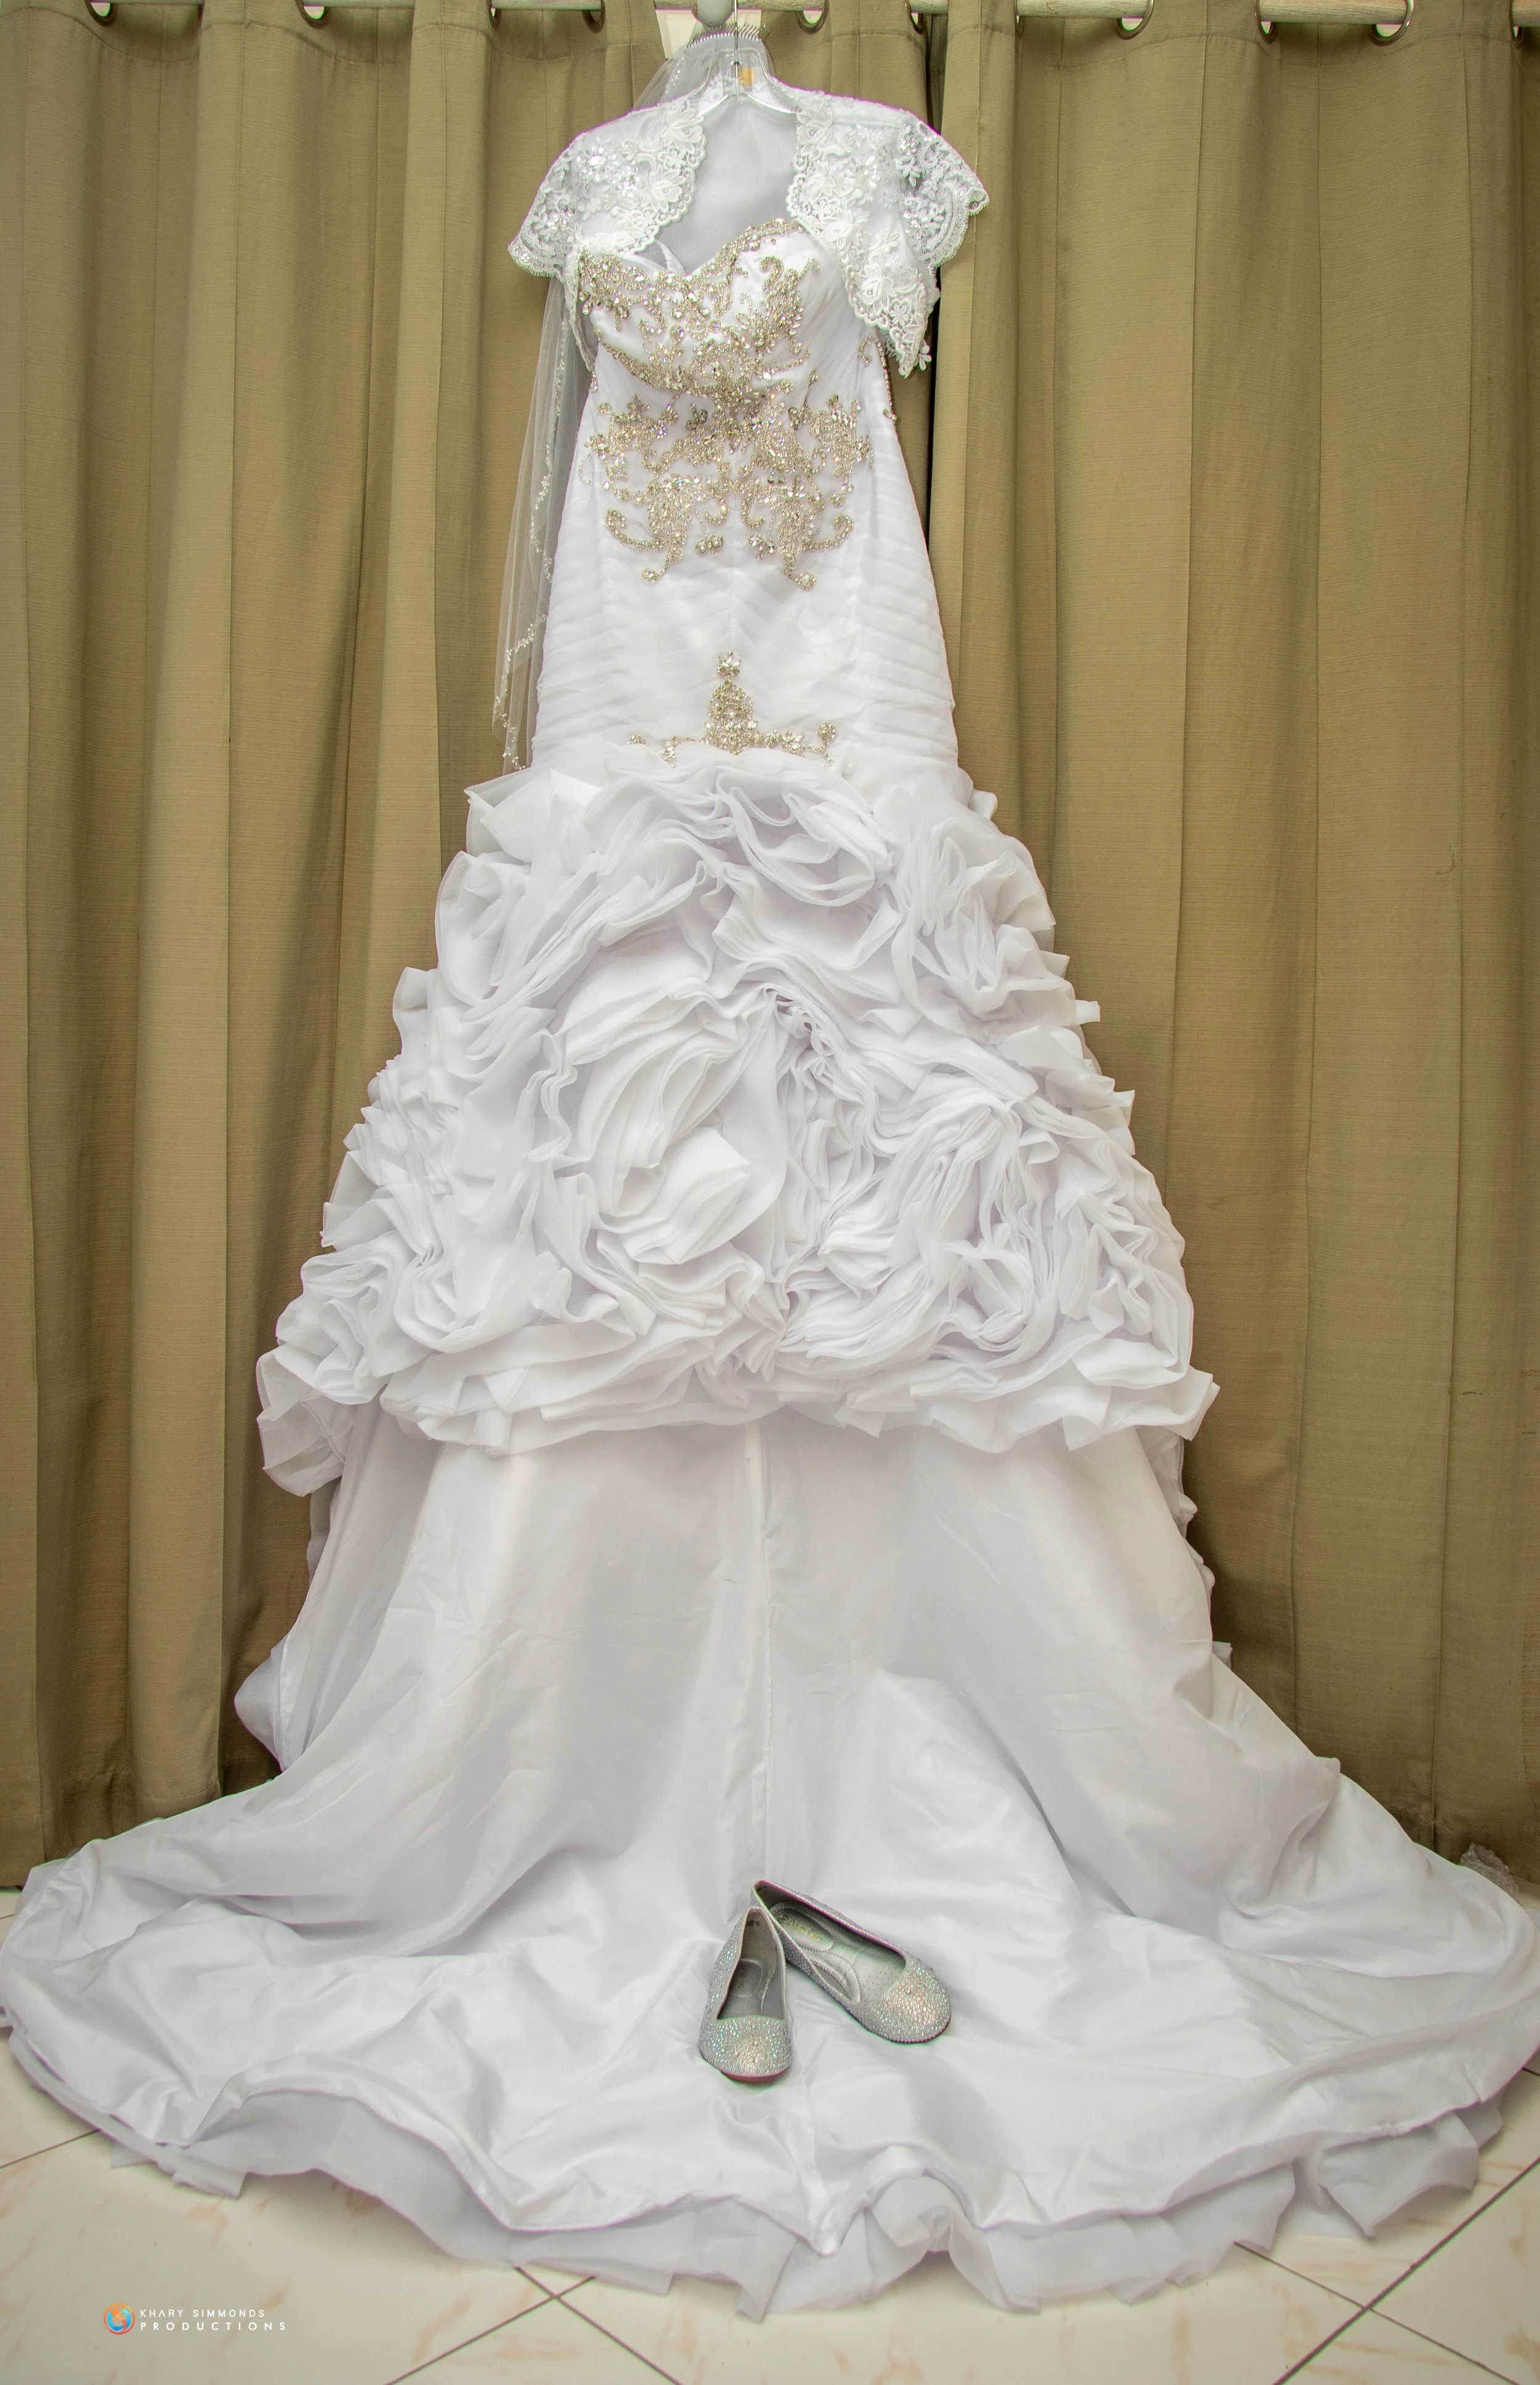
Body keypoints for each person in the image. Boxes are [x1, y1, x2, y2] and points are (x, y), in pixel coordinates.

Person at [4, 31, 1537, 2322]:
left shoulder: (892, 172)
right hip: (634, 706)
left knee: (890, 1196)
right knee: (602, 1201)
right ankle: (582, 1775)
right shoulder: (595, 180)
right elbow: (559, 506)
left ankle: (895, 1797)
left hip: (848, 711)